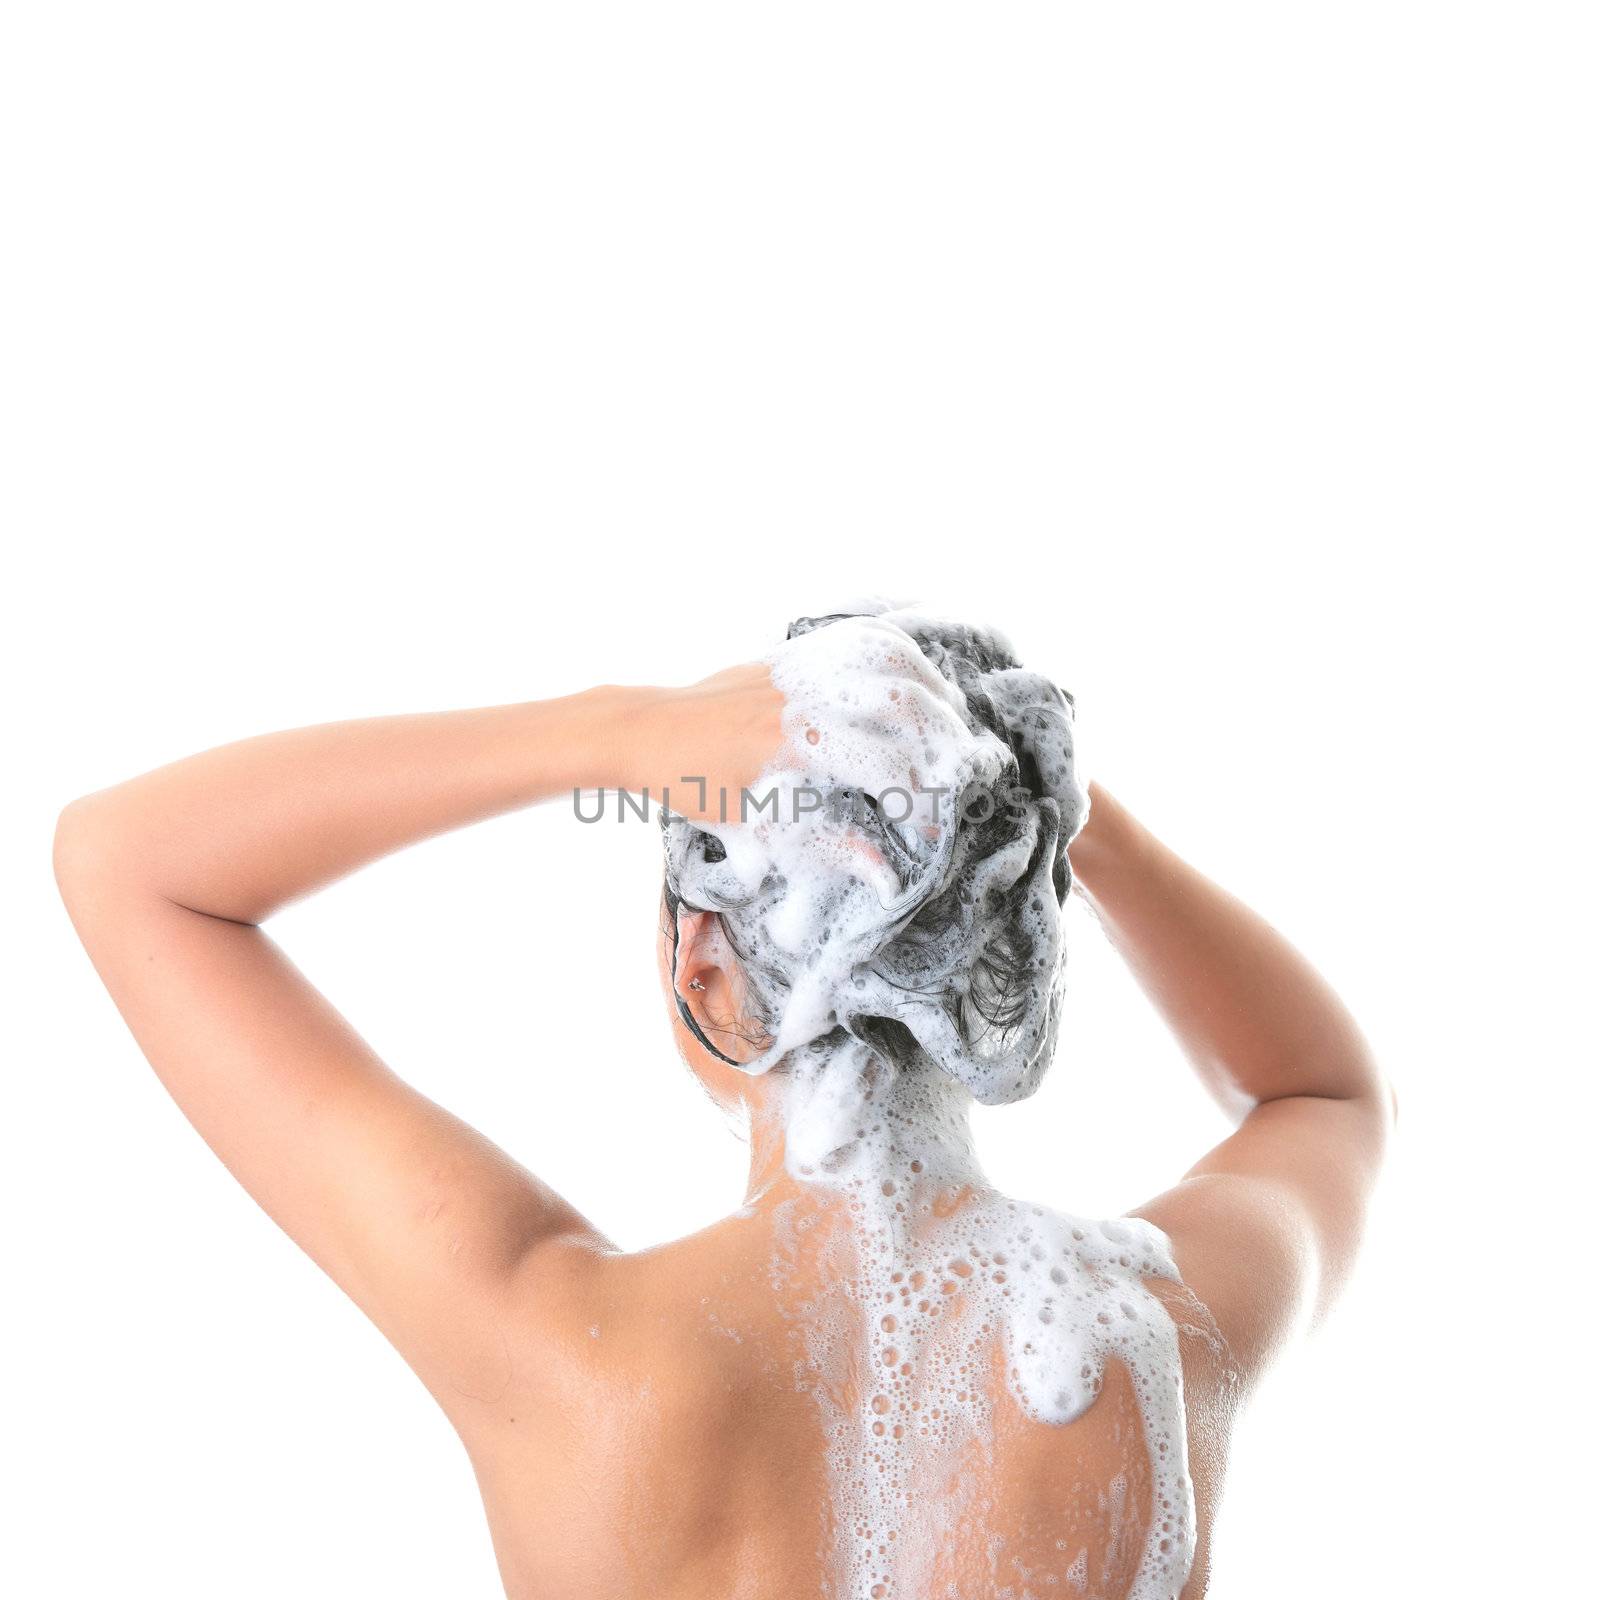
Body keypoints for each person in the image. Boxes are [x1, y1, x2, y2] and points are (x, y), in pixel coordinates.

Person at [53, 610, 1392, 1599]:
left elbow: (126, 864)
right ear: (1011, 965)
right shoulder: (1155, 1338)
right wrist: (1050, 809)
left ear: (701, 967)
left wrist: (613, 730)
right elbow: (1321, 1091)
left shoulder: (558, 1344)